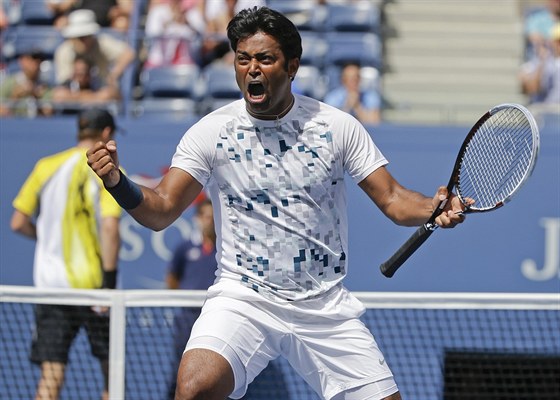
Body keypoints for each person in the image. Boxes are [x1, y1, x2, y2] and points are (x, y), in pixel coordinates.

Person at [86, 7, 468, 400]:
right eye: (243, 59)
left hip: (323, 305)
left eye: (265, 59)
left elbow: (393, 198)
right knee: (194, 387)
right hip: (244, 297)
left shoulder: (336, 127)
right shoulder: (211, 132)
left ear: (292, 67)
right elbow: (160, 209)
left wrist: (433, 207)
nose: (252, 69)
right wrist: (117, 182)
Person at [11, 109, 122, 400]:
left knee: (51, 375)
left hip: (52, 288)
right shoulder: (105, 169)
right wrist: (109, 284)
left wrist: (46, 238)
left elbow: (18, 222)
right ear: (107, 134)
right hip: (95, 290)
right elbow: (110, 228)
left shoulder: (46, 166)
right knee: (113, 376)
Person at [165, 196, 217, 399]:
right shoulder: (185, 248)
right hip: (187, 319)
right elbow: (172, 278)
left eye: (213, 217)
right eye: (205, 216)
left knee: (218, 372)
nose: (209, 221)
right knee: (182, 372)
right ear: (197, 219)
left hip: (216, 318)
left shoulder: (225, 248)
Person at [54, 9, 135, 88]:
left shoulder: (102, 42)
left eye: (86, 36)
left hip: (100, 90)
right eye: (79, 37)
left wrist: (113, 75)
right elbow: (64, 84)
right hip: (73, 95)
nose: (83, 41)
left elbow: (128, 54)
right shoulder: (63, 52)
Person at [52, 55, 121, 109]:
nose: (77, 77)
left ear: (89, 74)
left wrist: (73, 98)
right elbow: (58, 95)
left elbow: (110, 95)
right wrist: (90, 97)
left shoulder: (97, 83)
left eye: (81, 73)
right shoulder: (67, 83)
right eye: (76, 72)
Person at [0, 49, 54, 117]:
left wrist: (36, 97)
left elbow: (48, 114)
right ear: (22, 61)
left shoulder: (45, 87)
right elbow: (2, 112)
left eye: (39, 60)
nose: (35, 64)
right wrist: (15, 97)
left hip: (39, 125)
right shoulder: (9, 83)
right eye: (32, 59)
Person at [519, 22, 560, 105]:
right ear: (552, 42)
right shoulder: (542, 61)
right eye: (558, 41)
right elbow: (531, 88)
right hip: (545, 114)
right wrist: (542, 62)